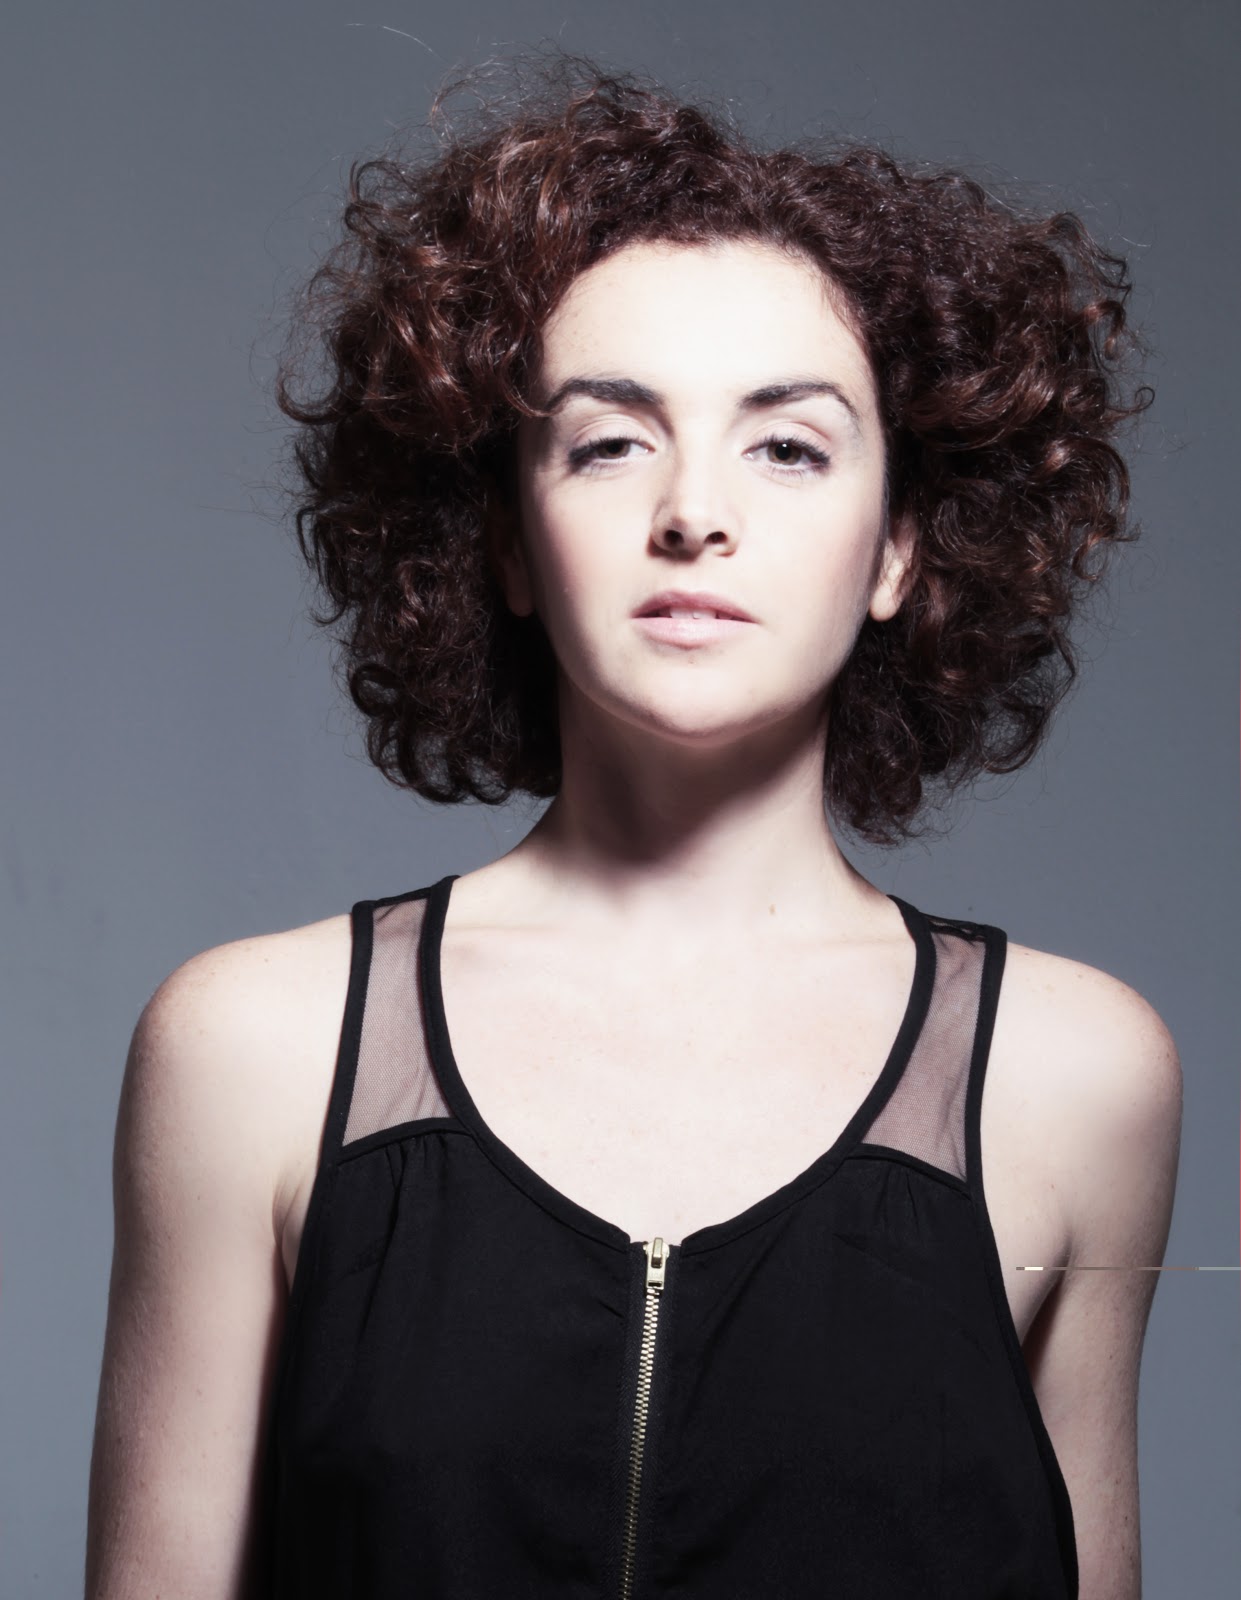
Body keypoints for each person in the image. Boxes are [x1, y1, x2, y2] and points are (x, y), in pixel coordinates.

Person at [86, 49, 1182, 1600]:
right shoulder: (253, 1051)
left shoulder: (1076, 1078)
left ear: (898, 549)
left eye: (786, 445)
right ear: (506, 541)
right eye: (609, 440)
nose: (693, 511)